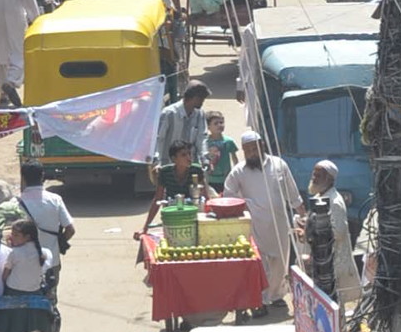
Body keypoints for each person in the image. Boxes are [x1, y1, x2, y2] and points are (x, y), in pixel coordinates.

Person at [223, 131, 300, 309]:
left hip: (278, 222)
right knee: (260, 262)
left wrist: (302, 213)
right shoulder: (238, 172)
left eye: (254, 148)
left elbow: (292, 193)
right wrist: (243, 205)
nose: (251, 153)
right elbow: (228, 194)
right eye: (247, 150)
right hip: (255, 224)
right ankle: (261, 299)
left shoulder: (279, 164)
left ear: (262, 146)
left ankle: (277, 295)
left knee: (280, 261)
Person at [296, 160, 362, 312]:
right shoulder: (321, 197)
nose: (314, 177)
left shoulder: (334, 201)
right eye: (314, 173)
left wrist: (309, 233)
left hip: (333, 264)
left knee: (334, 305)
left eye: (319, 175)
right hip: (322, 262)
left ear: (330, 179)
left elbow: (338, 232)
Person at [10, 161, 75, 268]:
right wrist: (57, 244)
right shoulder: (55, 200)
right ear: (42, 176)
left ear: (23, 178)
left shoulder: (15, 203)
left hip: (23, 264)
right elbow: (70, 230)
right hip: (51, 262)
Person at [138, 138, 206, 236]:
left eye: (189, 154)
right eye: (183, 155)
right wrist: (145, 228)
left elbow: (206, 197)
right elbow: (158, 198)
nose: (189, 157)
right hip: (172, 214)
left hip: (192, 213)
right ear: (174, 159)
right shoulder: (165, 172)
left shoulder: (196, 170)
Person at [153, 81, 209, 171]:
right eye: (201, 98)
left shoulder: (199, 114)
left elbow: (202, 138)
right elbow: (158, 139)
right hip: (168, 166)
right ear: (194, 98)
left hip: (189, 166)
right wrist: (156, 161)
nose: (203, 101)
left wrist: (204, 158)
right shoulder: (169, 113)